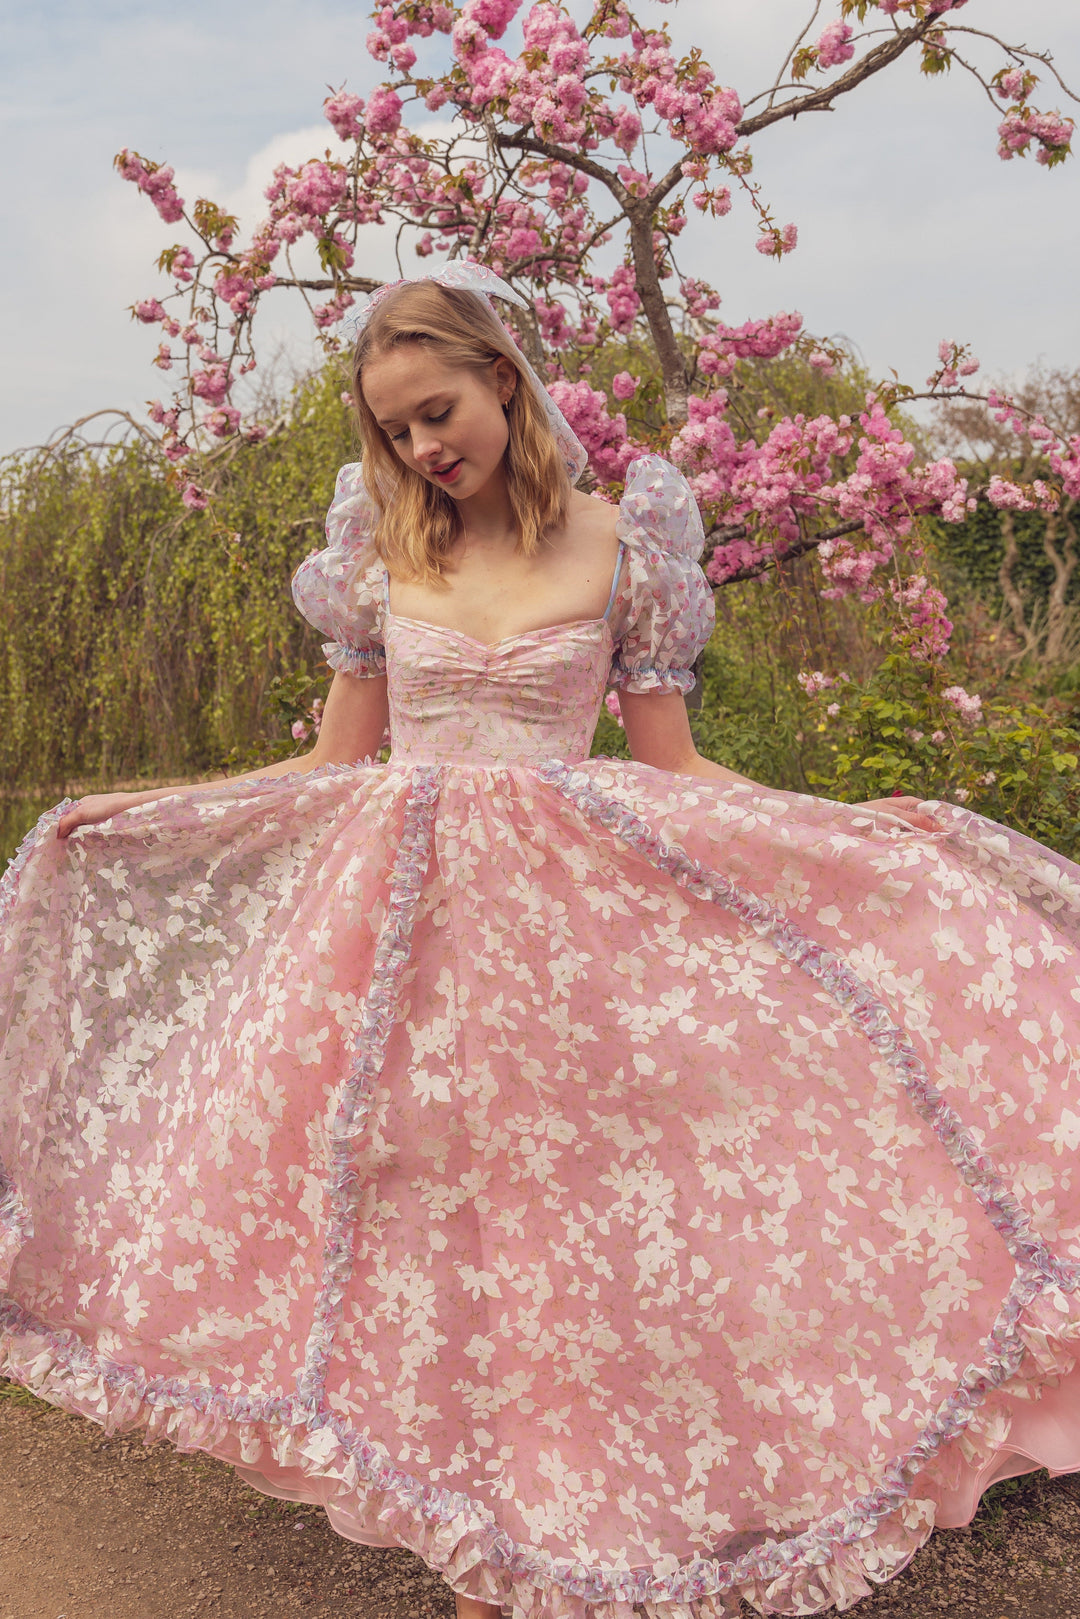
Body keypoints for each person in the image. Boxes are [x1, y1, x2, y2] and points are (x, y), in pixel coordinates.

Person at [1, 262, 1079, 1619]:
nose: (419, 448)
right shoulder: (380, 552)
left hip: (582, 957)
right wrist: (155, 815)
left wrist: (850, 832)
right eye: (392, 430)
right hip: (409, 956)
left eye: (436, 411)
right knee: (445, 1251)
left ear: (505, 379)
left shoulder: (627, 547)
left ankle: (579, 1543)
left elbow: (675, 766)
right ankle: (486, 1560)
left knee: (579, 1252)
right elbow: (335, 765)